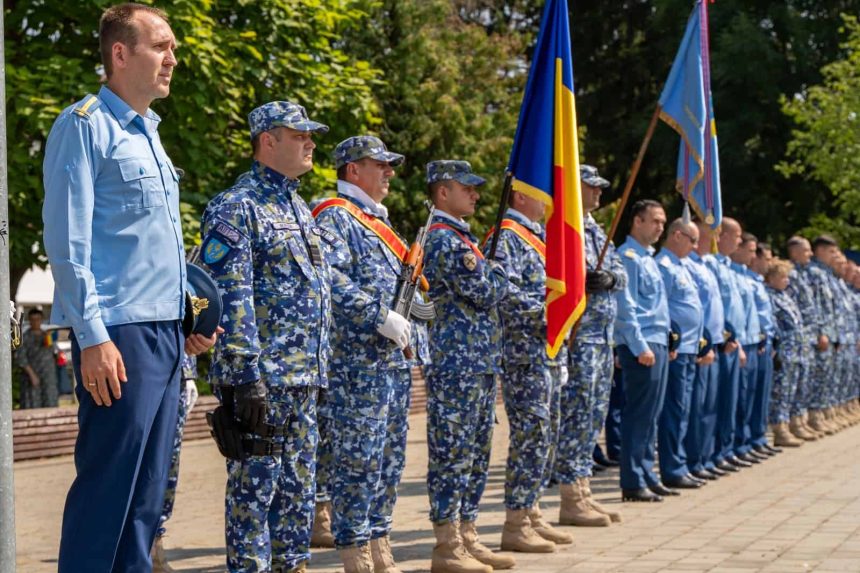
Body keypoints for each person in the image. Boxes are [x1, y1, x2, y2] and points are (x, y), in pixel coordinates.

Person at [42, 4, 216, 571]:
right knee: (107, 494)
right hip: (117, 337)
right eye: (160, 46)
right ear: (120, 54)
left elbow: (152, 248)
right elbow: (68, 246)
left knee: (146, 503)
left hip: (163, 338)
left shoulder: (150, 137)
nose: (173, 58)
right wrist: (91, 337)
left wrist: (186, 319)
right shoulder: (85, 125)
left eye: (173, 48)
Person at [200, 100, 332, 573]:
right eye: (299, 135)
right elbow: (228, 296)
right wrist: (244, 376)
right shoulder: (237, 207)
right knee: (254, 499)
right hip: (263, 383)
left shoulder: (298, 206)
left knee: (298, 496)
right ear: (268, 141)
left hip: (304, 380)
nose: (310, 142)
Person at [312, 135, 415, 573]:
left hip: (390, 362)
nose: (389, 172)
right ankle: (355, 551)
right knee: (357, 459)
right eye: (380, 165)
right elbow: (328, 277)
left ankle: (380, 540)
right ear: (353, 170)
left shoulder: (381, 222)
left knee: (389, 457)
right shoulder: (337, 216)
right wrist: (378, 316)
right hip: (356, 364)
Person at [422, 160, 512, 573]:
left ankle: (467, 534)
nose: (476, 195)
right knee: (452, 455)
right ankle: (446, 544)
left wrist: (493, 275)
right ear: (443, 193)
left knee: (476, 454)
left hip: (475, 363)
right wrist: (498, 275)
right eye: (467, 188)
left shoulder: (464, 239)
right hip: (455, 364)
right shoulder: (443, 240)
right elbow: (485, 291)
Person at [491, 189, 572, 551]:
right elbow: (504, 293)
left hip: (547, 352)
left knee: (546, 434)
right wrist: (548, 315)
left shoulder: (539, 236)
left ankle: (533, 511)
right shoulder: (506, 236)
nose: (549, 201)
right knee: (531, 435)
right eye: (542, 194)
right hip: (524, 354)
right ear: (522, 196)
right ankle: (516, 521)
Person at [555, 164, 625, 526]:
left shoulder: (597, 230)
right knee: (577, 415)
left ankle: (583, 489)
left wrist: (608, 277)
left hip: (602, 338)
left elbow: (622, 273)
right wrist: (583, 279)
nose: (599, 192)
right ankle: (570, 496)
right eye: (592, 186)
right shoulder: (566, 228)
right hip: (580, 336)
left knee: (594, 415)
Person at [613, 199, 671, 502]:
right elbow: (626, 308)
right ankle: (633, 480)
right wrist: (639, 346)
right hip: (642, 345)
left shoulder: (648, 258)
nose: (660, 227)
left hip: (657, 342)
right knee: (638, 414)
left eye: (663, 222)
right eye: (655, 221)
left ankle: (647, 473)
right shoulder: (628, 257)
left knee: (652, 415)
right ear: (637, 221)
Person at [655, 219, 706, 489]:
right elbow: (661, 307)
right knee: (674, 410)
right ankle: (672, 468)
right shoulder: (663, 266)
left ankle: (681, 463)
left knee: (684, 409)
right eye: (692, 240)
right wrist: (672, 341)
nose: (696, 246)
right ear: (677, 235)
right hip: (676, 349)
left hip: (688, 348)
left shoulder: (681, 266)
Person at [705, 218, 750, 472]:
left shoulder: (728, 266)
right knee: (715, 404)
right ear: (719, 236)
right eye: (736, 236)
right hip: (721, 344)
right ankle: (712, 453)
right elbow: (713, 308)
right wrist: (727, 339)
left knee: (729, 402)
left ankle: (724, 450)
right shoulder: (710, 264)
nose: (740, 241)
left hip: (733, 343)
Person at [683, 221, 725, 481]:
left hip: (713, 342)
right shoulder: (684, 266)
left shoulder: (705, 266)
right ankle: (691, 461)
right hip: (698, 345)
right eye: (709, 234)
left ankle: (704, 458)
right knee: (694, 409)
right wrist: (704, 344)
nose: (712, 239)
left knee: (708, 407)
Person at [151, 353, 200, 573]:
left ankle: (153, 543)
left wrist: (188, 373)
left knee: (168, 458)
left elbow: (189, 320)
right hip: (135, 362)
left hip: (177, 369)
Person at [728, 232, 765, 464]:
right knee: (735, 400)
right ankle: (733, 446)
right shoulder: (732, 273)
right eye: (750, 250)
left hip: (752, 341)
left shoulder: (744, 276)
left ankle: (747, 442)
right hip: (736, 343)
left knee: (749, 397)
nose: (753, 256)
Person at [784, 237, 823, 440]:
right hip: (795, 337)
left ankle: (800, 420)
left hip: (807, 335)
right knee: (791, 383)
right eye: (805, 250)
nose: (809, 254)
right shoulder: (789, 273)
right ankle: (789, 423)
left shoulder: (805, 274)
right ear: (794, 252)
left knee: (804, 380)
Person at [763, 260, 805, 447]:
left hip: (794, 351)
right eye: (782, 277)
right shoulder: (770, 296)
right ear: (771, 278)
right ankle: (779, 429)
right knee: (780, 391)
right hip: (783, 351)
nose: (786, 280)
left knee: (789, 390)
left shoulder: (785, 296)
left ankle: (787, 425)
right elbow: (773, 324)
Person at [747, 242, 780, 457]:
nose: (769, 263)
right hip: (753, 344)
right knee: (748, 397)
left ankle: (757, 439)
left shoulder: (758, 282)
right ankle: (745, 442)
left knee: (761, 397)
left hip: (765, 344)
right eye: (766, 258)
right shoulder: (748, 281)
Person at [806, 236, 841, 434]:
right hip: (821, 334)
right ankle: (812, 417)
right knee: (817, 378)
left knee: (827, 376)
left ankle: (820, 416)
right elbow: (814, 306)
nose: (834, 256)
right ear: (819, 250)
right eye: (831, 252)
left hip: (832, 333)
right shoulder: (813, 273)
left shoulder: (827, 274)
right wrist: (821, 331)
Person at [15, 308, 59, 409]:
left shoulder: (47, 335)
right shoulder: (24, 337)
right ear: (29, 320)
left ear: (42, 319)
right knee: (32, 405)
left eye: (38, 319)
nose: (35, 322)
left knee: (50, 404)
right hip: (32, 377)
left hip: (48, 378)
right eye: (33, 319)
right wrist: (32, 375)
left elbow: (54, 353)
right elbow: (21, 358)